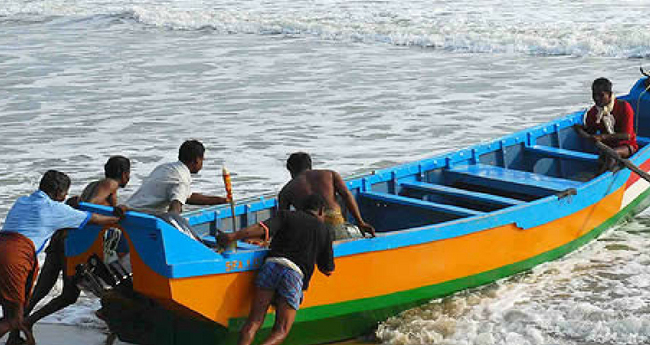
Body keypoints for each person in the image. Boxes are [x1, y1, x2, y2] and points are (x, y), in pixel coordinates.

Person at [6, 156, 132, 344]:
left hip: (58, 242)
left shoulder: (95, 184)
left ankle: (15, 334)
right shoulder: (110, 185)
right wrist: (119, 215)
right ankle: (27, 322)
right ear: (124, 174)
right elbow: (88, 206)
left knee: (40, 291)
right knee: (69, 295)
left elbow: (79, 206)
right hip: (71, 245)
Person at [217, 194, 334, 345]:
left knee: (253, 322)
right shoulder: (324, 231)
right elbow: (328, 269)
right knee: (281, 331)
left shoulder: (286, 216)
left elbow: (261, 229)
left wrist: (233, 236)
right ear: (321, 211)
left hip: (271, 265)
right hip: (294, 273)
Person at [278, 152, 375, 240]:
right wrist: (360, 222)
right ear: (310, 165)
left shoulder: (286, 190)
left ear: (291, 170)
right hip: (335, 222)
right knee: (340, 199)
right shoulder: (330, 174)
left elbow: (283, 220)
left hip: (310, 229)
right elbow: (347, 195)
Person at [126, 140, 229, 215]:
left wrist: (219, 200)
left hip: (128, 210)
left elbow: (187, 196)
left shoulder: (165, 168)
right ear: (197, 160)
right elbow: (175, 209)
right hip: (143, 216)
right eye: (203, 159)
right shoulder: (181, 179)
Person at [577, 77, 638, 173]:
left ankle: (598, 180)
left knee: (612, 155)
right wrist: (580, 129)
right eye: (594, 95)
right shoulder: (593, 112)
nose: (597, 99)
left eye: (601, 95)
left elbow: (627, 135)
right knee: (605, 158)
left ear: (609, 95)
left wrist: (602, 137)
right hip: (606, 148)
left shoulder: (624, 107)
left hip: (627, 146)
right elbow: (591, 131)